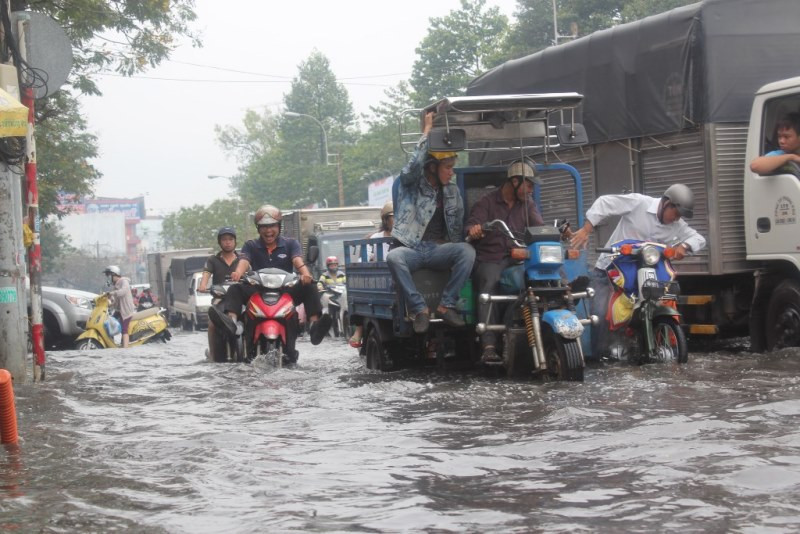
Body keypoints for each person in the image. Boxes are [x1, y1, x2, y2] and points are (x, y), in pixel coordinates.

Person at [569, 184, 707, 358]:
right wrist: (586, 229)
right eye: (676, 214)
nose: (676, 219)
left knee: (659, 303)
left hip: (644, 276)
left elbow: (699, 238)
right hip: (610, 270)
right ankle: (598, 358)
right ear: (667, 203)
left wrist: (685, 246)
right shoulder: (640, 203)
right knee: (600, 314)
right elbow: (605, 203)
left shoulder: (677, 225)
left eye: (680, 216)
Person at [386, 111, 476, 333]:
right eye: (447, 168)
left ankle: (446, 306)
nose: (451, 173)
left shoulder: (453, 191)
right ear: (433, 168)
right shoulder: (411, 184)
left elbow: (458, 228)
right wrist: (426, 132)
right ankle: (420, 310)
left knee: (467, 251)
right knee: (394, 257)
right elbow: (413, 166)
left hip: (438, 249)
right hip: (413, 248)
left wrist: (469, 235)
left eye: (452, 168)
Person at [208, 205, 331, 360]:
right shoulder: (251, 245)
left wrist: (306, 274)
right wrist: (238, 273)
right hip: (257, 289)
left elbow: (297, 260)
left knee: (311, 287)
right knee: (235, 289)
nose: (268, 231)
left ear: (279, 226)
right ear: (258, 229)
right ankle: (231, 322)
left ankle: (314, 325)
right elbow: (244, 260)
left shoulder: (291, 244)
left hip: (286, 289)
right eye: (264, 227)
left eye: (272, 226)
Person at [465, 159, 545, 362]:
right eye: (528, 185)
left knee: (543, 274)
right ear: (515, 181)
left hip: (518, 257)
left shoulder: (528, 204)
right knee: (489, 284)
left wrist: (553, 233)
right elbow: (471, 226)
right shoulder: (486, 202)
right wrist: (475, 229)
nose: (531, 190)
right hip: (491, 258)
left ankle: (565, 298)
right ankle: (489, 345)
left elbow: (539, 228)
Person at [349, 201, 394, 347]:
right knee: (359, 288)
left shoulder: (409, 237)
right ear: (385, 220)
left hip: (398, 279)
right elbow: (362, 259)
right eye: (393, 217)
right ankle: (359, 329)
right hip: (379, 280)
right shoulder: (375, 239)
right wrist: (371, 261)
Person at [198, 227, 240, 360]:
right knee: (212, 324)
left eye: (230, 239)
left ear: (235, 242)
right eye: (224, 240)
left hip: (239, 298)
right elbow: (206, 274)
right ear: (219, 242)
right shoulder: (213, 260)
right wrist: (203, 285)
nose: (227, 242)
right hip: (220, 298)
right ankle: (213, 354)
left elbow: (251, 272)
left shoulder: (242, 259)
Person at [103, 265, 135, 348]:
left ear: (114, 274)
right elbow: (116, 301)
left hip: (126, 310)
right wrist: (109, 304)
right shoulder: (116, 285)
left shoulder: (124, 281)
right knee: (109, 324)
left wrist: (112, 293)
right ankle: (112, 344)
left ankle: (125, 348)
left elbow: (123, 292)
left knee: (124, 329)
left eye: (109, 275)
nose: (109, 278)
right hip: (119, 310)